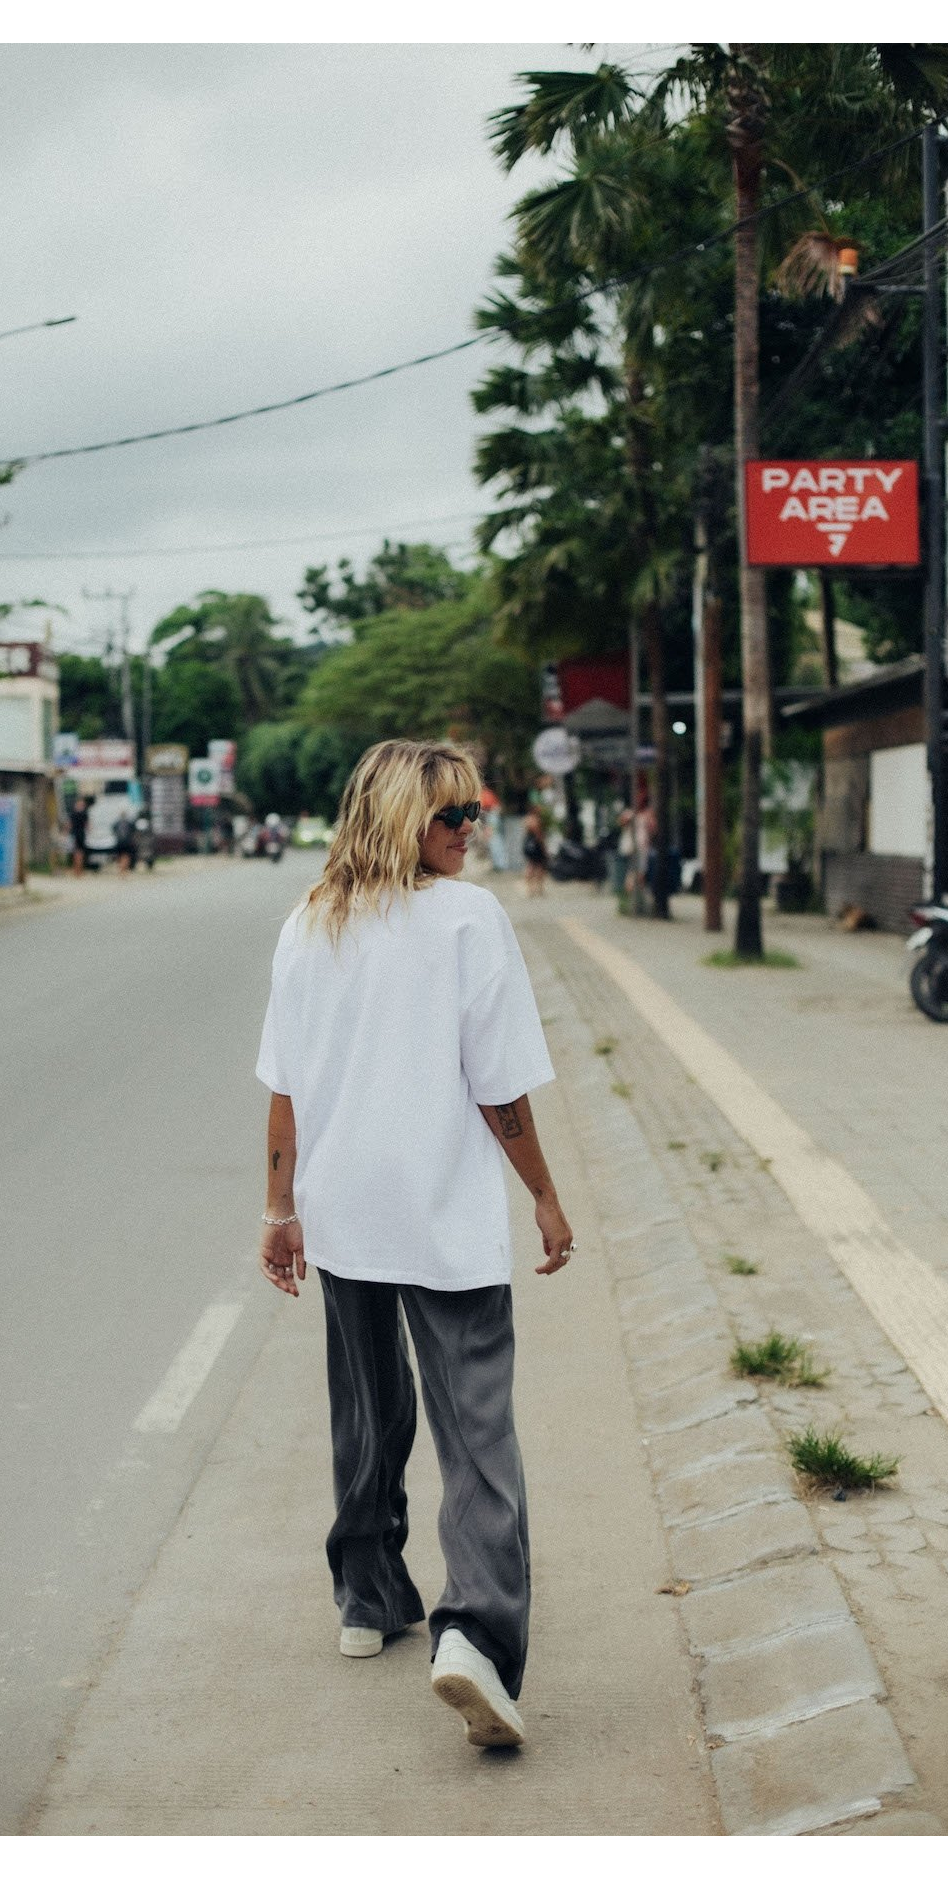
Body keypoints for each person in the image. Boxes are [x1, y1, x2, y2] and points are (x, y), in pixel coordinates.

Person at [255, 738, 575, 1751]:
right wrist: (545, 1195)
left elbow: (286, 1088)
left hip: (344, 1207)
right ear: (403, 818)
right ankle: (475, 1635)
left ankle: (368, 1595)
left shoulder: (311, 920)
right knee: (474, 1427)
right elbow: (498, 1085)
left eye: (474, 812)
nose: (471, 829)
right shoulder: (469, 918)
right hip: (441, 1209)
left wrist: (279, 1209)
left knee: (367, 1405)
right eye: (453, 815)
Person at [521, 804, 548, 897]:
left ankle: (530, 888)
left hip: (528, 843)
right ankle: (539, 888)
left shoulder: (526, 819)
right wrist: (544, 847)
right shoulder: (535, 820)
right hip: (536, 845)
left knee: (530, 865)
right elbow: (538, 835)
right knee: (539, 866)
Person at [68, 797, 90, 877]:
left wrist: (66, 833)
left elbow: (69, 825)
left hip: (75, 834)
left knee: (76, 853)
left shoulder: (73, 813)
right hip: (81, 834)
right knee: (80, 853)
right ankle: (79, 871)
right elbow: (87, 825)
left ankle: (76, 870)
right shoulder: (85, 813)